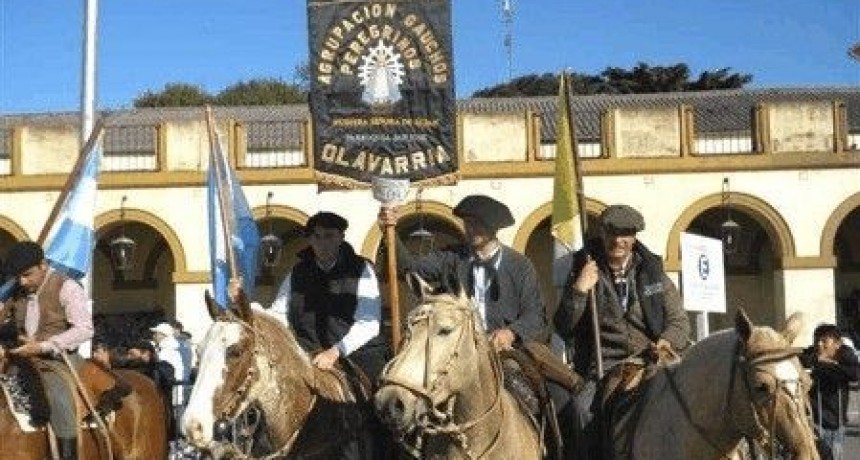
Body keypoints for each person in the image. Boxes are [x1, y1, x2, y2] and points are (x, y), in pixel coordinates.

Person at [379, 195, 577, 459]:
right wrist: (388, 232)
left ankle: (557, 449)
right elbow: (408, 267)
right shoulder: (451, 258)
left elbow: (536, 316)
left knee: (560, 398)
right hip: (454, 354)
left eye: (477, 224)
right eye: (468, 224)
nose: (471, 229)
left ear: (494, 228)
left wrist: (511, 332)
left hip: (506, 355)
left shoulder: (520, 266)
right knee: (412, 400)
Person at [553, 204, 691, 459]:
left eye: (625, 234)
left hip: (650, 361)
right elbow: (562, 326)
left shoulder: (653, 272)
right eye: (612, 233)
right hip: (604, 366)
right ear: (602, 233)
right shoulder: (583, 268)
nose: (618, 240)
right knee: (582, 410)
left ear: (635, 236)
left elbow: (680, 322)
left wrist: (665, 341)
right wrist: (580, 290)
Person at [266, 211, 389, 459]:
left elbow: (369, 322)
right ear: (310, 240)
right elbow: (278, 313)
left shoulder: (361, 268)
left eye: (330, 236)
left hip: (355, 352)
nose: (323, 243)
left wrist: (335, 351)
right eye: (318, 237)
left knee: (383, 403)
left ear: (341, 238)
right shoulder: (297, 272)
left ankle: (384, 450)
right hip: (308, 351)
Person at [0, 241, 94, 460]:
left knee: (57, 396)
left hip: (60, 359)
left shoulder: (67, 286)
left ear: (43, 264)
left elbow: (84, 329)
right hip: (21, 358)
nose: (23, 282)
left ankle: (68, 455)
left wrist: (44, 346)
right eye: (19, 277)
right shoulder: (15, 290)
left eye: (27, 275)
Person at [800, 324, 860, 460]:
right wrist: (822, 362)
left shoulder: (845, 355)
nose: (819, 345)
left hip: (835, 424)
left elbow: (853, 374)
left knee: (834, 456)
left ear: (837, 344)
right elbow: (803, 359)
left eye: (824, 341)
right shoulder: (812, 354)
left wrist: (822, 364)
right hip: (814, 422)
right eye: (816, 341)